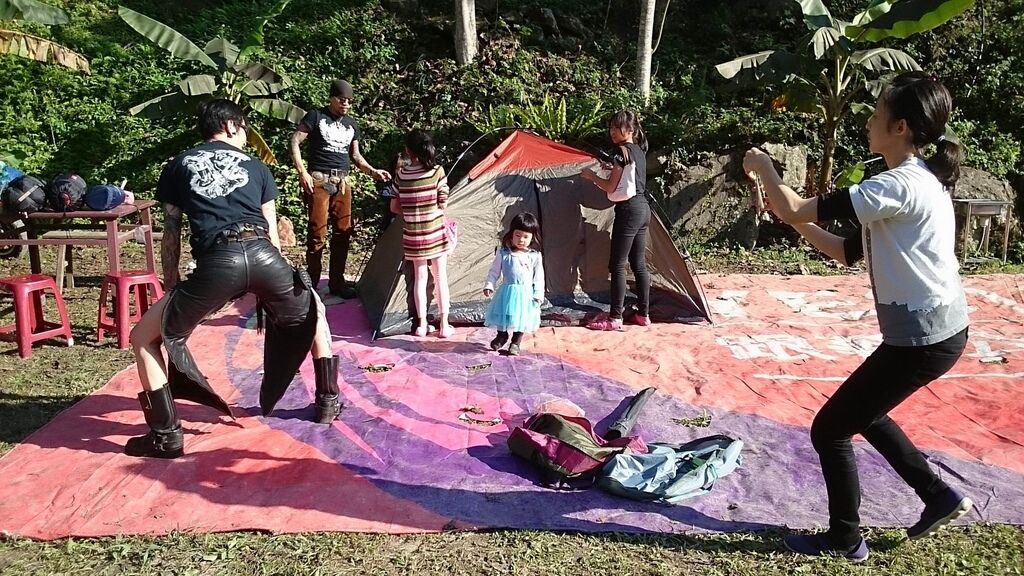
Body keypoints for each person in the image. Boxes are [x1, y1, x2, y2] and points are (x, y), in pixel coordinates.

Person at [743, 71, 972, 561]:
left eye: (876, 115)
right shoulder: (911, 181)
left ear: (900, 127)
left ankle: (845, 539)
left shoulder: (896, 185)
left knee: (830, 429)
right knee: (866, 412)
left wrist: (764, 167)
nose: (868, 122)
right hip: (933, 331)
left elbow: (797, 207)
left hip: (924, 336)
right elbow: (844, 250)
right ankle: (938, 496)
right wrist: (791, 216)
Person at [126, 99, 343, 460]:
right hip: (263, 255)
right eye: (243, 128)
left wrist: (172, 284)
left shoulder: (178, 165)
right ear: (230, 125)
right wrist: (270, 286)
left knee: (143, 338)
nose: (245, 135)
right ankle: (328, 402)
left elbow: (171, 232)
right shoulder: (257, 167)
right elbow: (272, 235)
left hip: (217, 263)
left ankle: (166, 436)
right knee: (314, 310)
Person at [290, 79, 390, 297]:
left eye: (350, 101)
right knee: (317, 233)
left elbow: (356, 156)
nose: (346, 104)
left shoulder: (352, 125)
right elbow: (295, 141)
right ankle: (312, 283)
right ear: (332, 98)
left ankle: (337, 283)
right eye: (342, 99)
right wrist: (302, 172)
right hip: (318, 179)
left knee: (343, 232)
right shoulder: (316, 116)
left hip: (343, 182)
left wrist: (373, 172)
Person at [580, 110, 652, 331]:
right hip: (643, 208)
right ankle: (643, 314)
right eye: (611, 127)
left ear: (629, 130)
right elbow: (630, 176)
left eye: (616, 127)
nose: (612, 131)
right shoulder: (638, 150)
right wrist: (612, 169)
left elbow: (611, 187)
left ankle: (615, 318)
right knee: (639, 264)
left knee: (618, 265)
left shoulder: (620, 152)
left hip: (628, 210)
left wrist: (592, 177)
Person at [390, 129, 454, 337]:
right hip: (434, 231)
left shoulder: (401, 175)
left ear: (408, 150)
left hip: (413, 235)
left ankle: (421, 325)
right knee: (440, 277)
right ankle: (444, 325)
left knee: (420, 278)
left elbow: (394, 207)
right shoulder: (437, 172)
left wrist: (411, 213)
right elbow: (443, 203)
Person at [483, 212, 545, 356]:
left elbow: (539, 277)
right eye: (518, 235)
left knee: (522, 318)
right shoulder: (503, 253)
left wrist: (538, 295)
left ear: (532, 237)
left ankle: (516, 342)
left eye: (525, 237)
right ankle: (502, 335)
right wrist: (489, 285)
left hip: (526, 295)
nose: (521, 240)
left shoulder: (534, 256)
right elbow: (494, 272)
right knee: (504, 314)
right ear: (511, 234)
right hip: (507, 292)